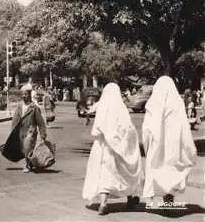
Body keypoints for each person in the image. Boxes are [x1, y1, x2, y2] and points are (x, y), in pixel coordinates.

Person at [82, 83, 144, 215]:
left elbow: (97, 128)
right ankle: (130, 198)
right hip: (119, 147)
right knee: (122, 172)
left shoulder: (102, 107)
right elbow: (128, 129)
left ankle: (104, 203)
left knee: (105, 174)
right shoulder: (121, 108)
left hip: (103, 147)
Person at [142, 76, 197, 207]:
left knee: (153, 167)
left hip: (156, 142)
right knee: (170, 168)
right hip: (173, 143)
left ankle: (150, 200)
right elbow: (184, 125)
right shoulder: (177, 103)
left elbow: (147, 126)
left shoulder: (153, 103)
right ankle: (168, 199)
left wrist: (146, 144)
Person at [11, 88, 47, 173]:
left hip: (31, 131)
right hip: (21, 131)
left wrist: (43, 134)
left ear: (29, 95)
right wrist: (13, 131)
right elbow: (15, 119)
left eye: (25, 94)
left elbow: (40, 122)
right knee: (24, 149)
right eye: (22, 94)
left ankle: (27, 165)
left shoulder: (34, 107)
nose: (23, 96)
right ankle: (30, 163)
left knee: (27, 148)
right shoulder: (20, 106)